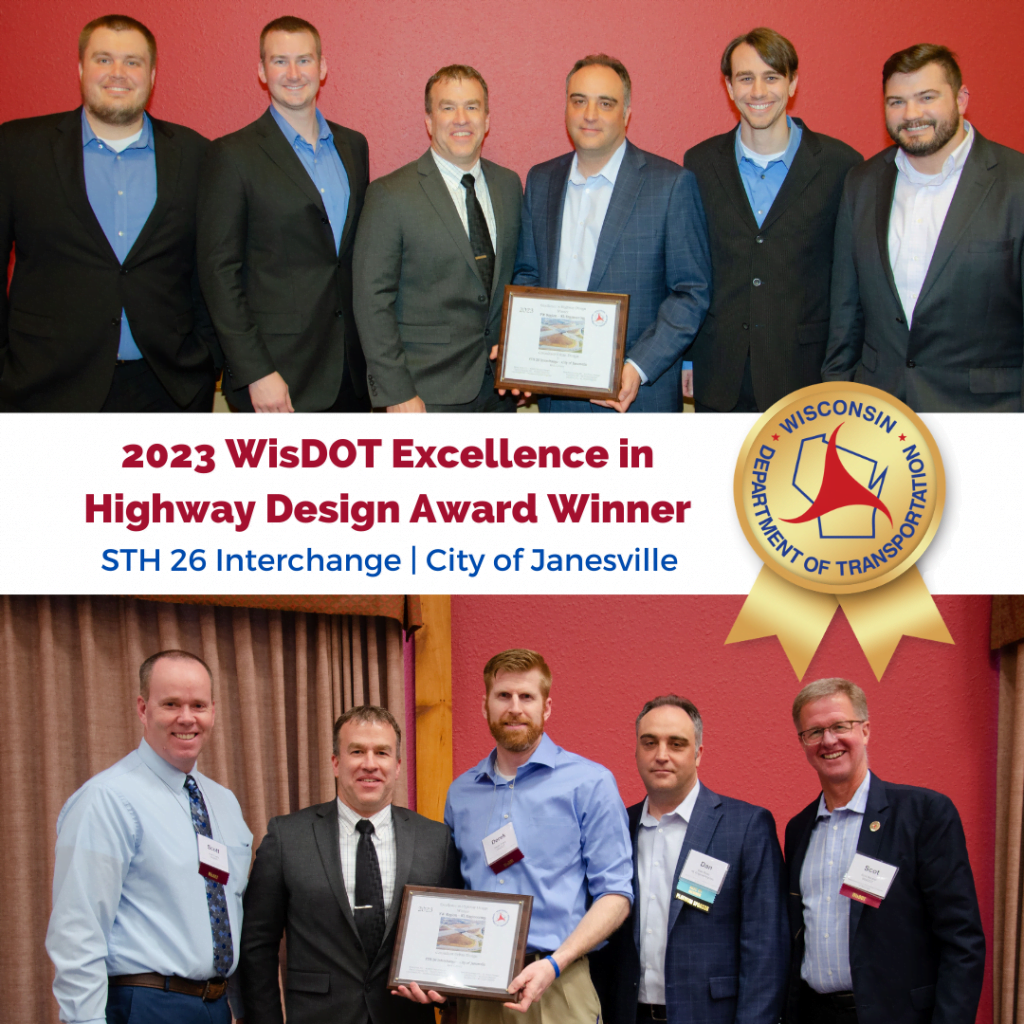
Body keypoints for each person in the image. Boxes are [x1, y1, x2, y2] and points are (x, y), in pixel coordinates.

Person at [0, 15, 217, 412]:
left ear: (152, 75)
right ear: (81, 68)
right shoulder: (15, 149)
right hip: (44, 389)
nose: (118, 73)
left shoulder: (199, 155)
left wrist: (206, 356)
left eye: (133, 62)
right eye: (103, 60)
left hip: (168, 389)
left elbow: (211, 269)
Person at [414, 648, 632, 1022]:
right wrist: (431, 968)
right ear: (485, 706)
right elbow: (452, 893)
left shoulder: (590, 783)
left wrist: (554, 964)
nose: (514, 708)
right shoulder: (461, 792)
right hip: (477, 989)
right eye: (503, 696)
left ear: (546, 708)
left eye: (526, 697)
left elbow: (616, 894)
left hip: (557, 983)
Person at [46, 650, 252, 1024]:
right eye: (171, 704)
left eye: (198, 705)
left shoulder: (224, 803)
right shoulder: (107, 800)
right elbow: (78, 931)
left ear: (213, 711)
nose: (186, 718)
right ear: (143, 709)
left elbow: (231, 906)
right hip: (144, 1005)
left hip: (215, 1007)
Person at [823, 43, 1024, 411]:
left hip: (988, 414)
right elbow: (845, 313)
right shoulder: (861, 183)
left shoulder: (1017, 184)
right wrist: (837, 398)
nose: (911, 114)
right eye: (896, 101)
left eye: (926, 97)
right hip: (880, 413)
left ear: (961, 98)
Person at [238, 705, 461, 1024]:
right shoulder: (287, 837)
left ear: (397, 766)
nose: (370, 764)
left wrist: (446, 988)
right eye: (357, 751)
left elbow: (450, 935)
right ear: (335, 762)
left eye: (382, 753)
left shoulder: (436, 840)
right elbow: (257, 945)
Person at [513, 54, 711, 413]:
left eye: (606, 103)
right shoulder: (540, 181)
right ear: (566, 108)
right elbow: (528, 275)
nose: (590, 114)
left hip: (636, 399)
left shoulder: (670, 185)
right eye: (579, 101)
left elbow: (691, 293)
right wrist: (522, 350)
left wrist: (637, 367)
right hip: (557, 399)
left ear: (627, 112)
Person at [785, 678, 985, 1024]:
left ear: (864, 730)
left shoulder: (924, 814)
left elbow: (962, 942)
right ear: (802, 742)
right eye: (814, 732)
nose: (828, 740)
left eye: (839, 726)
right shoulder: (799, 829)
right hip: (815, 1014)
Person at [684, 28, 861, 412]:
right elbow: (691, 273)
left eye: (772, 77)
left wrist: (842, 371)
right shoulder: (698, 164)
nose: (758, 91)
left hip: (806, 376)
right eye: (745, 78)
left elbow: (850, 283)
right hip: (719, 376)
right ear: (729, 87)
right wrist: (686, 358)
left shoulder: (841, 166)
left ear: (793, 82)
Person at [198, 16, 369, 412]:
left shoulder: (353, 146)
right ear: (261, 71)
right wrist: (256, 372)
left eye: (304, 60)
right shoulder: (231, 156)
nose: (293, 73)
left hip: (351, 374)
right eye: (279, 61)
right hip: (278, 379)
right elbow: (218, 274)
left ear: (322, 67)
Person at [592, 696, 788, 1024]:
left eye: (677, 743)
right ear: (636, 751)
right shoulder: (617, 828)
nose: (661, 755)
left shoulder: (746, 827)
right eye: (650, 742)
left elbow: (766, 949)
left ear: (698, 754)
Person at [353, 65, 522, 412]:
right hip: (423, 395)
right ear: (429, 121)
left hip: (500, 393)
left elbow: (518, 278)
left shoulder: (509, 185)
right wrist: (396, 392)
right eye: (448, 108)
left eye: (472, 107)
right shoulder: (390, 194)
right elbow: (372, 301)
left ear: (487, 119)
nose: (462, 119)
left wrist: (524, 359)